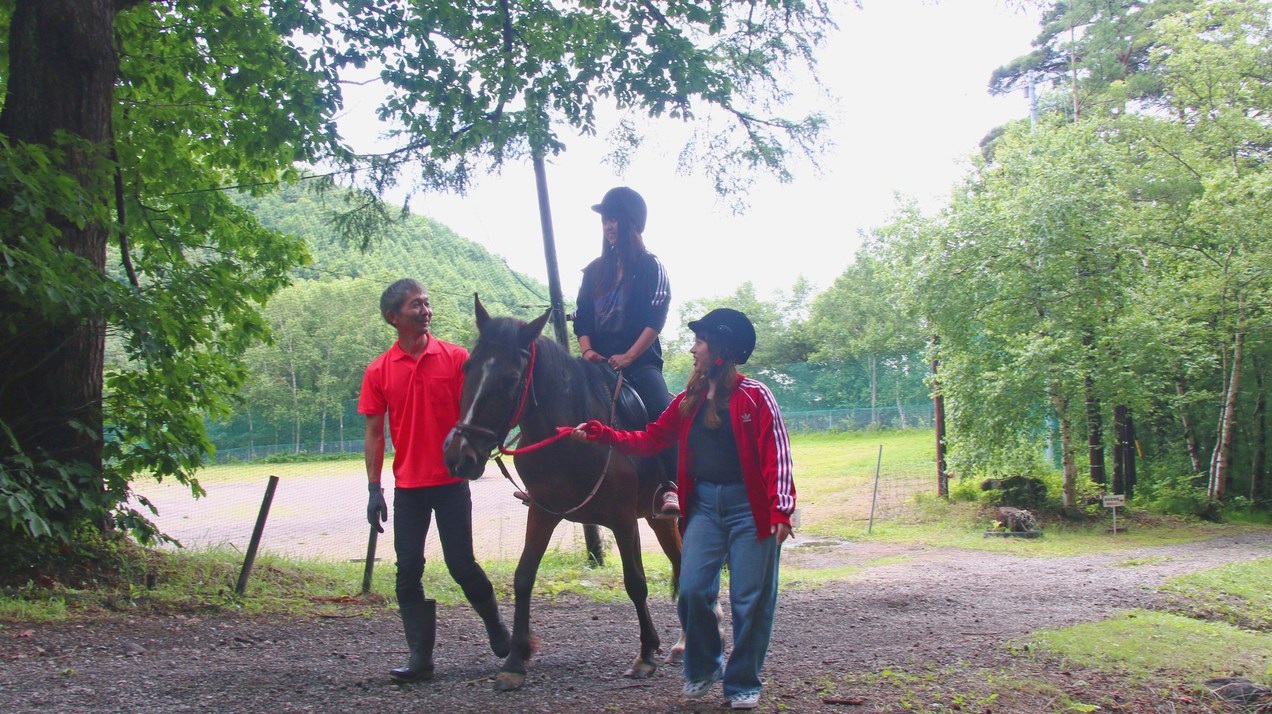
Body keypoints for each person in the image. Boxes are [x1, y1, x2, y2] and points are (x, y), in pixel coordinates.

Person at [571, 308, 795, 710]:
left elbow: (777, 454)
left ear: (721, 349)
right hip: (705, 508)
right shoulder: (687, 401)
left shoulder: (756, 396)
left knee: (750, 599)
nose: (693, 349)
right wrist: (603, 434)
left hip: (751, 509)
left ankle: (743, 682)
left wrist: (781, 510)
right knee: (691, 590)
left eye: (700, 341)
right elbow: (650, 439)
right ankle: (706, 666)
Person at [359, 278, 510, 682]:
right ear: (394, 318)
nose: (425, 311)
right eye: (415, 305)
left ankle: (497, 628)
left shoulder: (457, 358)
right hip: (408, 486)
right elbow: (374, 434)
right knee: (407, 572)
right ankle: (420, 658)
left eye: (426, 304)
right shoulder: (378, 370)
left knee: (462, 565)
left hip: (450, 483)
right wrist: (374, 489)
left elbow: (478, 412)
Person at [573, 186, 679, 518]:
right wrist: (587, 349)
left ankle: (671, 486)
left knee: (664, 410)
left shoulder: (650, 266)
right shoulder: (593, 271)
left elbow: (655, 318)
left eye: (614, 219)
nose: (608, 226)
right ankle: (550, 482)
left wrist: (631, 357)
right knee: (557, 395)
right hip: (597, 362)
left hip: (639, 363)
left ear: (631, 223)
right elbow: (583, 316)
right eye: (605, 220)